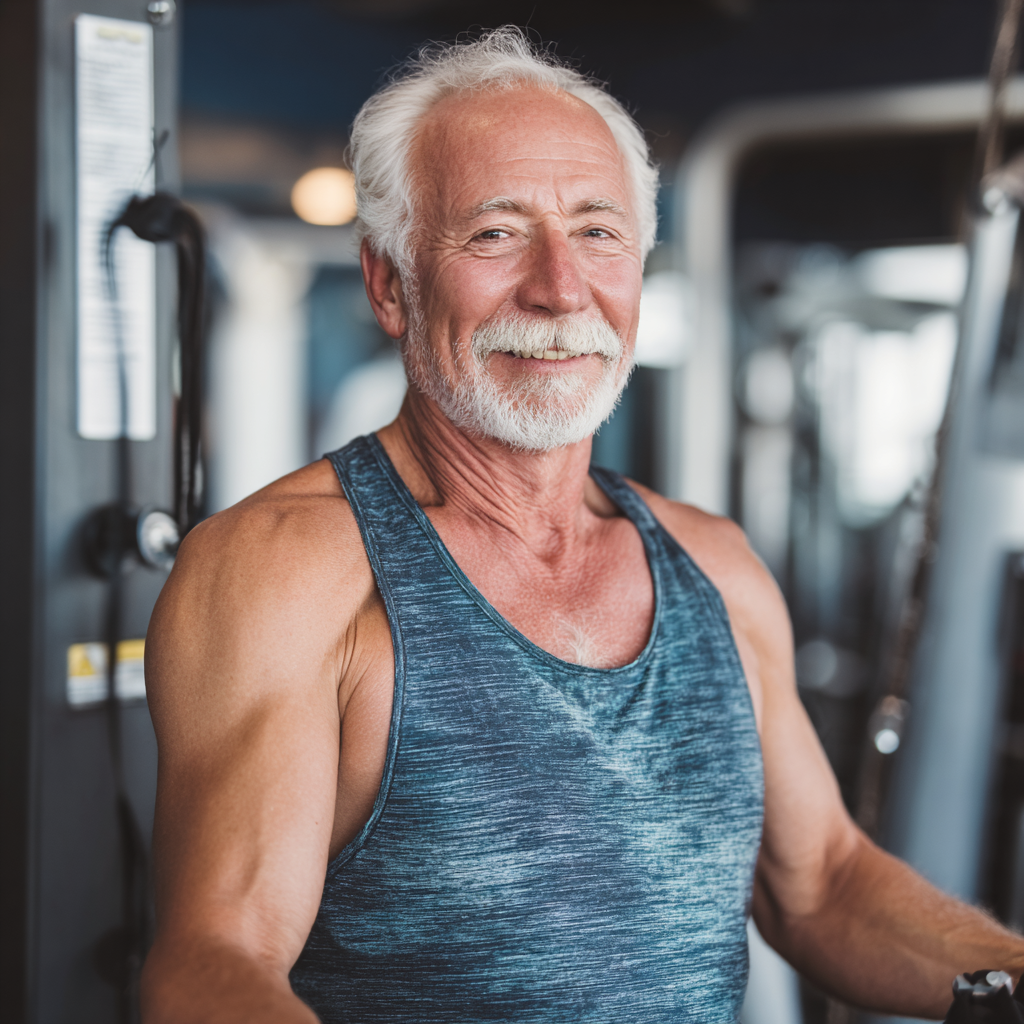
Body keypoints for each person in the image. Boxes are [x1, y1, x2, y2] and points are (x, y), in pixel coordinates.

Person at [140, 27, 1024, 1024]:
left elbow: (821, 882)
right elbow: (215, 961)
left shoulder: (713, 568)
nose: (561, 288)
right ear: (390, 283)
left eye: (598, 233)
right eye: (495, 233)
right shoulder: (284, 572)